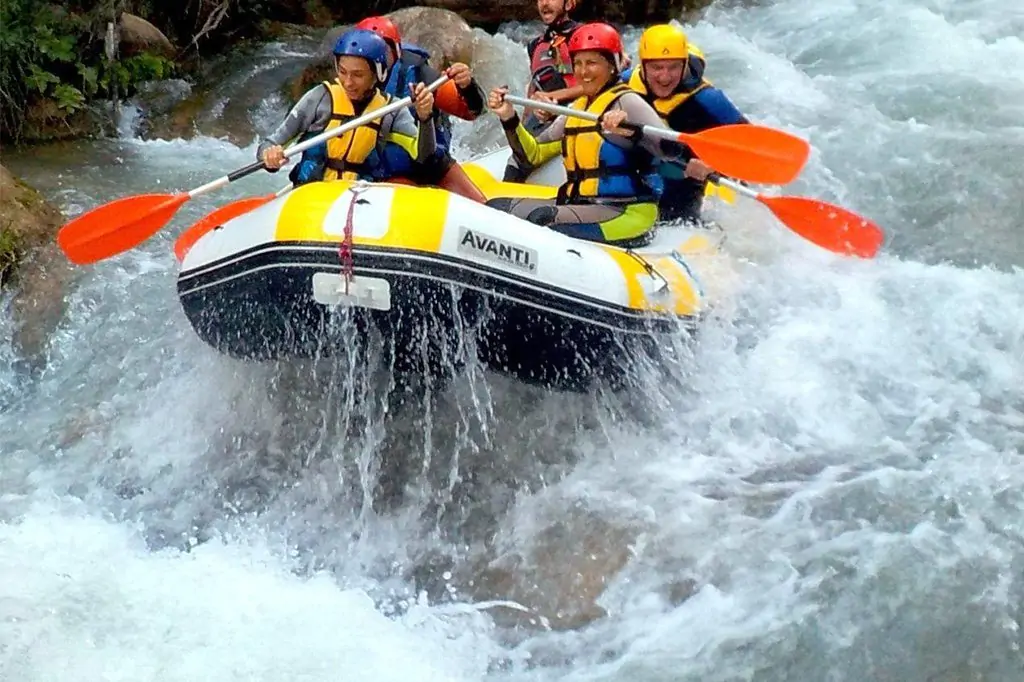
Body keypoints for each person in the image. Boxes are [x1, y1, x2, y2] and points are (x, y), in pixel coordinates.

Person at [487, 23, 689, 246]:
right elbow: (531, 155)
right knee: (496, 208)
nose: (583, 72)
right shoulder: (577, 109)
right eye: (578, 64)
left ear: (612, 65)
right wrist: (508, 117)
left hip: (626, 213)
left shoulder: (628, 102)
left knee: (541, 218)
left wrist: (632, 132)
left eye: (592, 63)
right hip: (581, 204)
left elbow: (674, 150)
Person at [258, 29, 436, 186]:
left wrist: (425, 118)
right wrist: (269, 155)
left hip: (360, 198)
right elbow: (269, 143)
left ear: (377, 74)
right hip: (311, 194)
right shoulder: (319, 98)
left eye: (358, 75)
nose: (348, 83)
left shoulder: (392, 110)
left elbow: (423, 157)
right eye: (343, 72)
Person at [355, 15, 487, 202]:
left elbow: (472, 111)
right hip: (386, 174)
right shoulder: (348, 86)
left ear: (396, 51)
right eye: (367, 52)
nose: (375, 58)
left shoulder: (419, 74)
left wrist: (466, 86)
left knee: (482, 206)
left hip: (432, 164)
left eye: (382, 50)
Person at [627, 23, 748, 222]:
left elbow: (746, 144)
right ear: (643, 65)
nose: (665, 77)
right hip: (640, 172)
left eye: (674, 67)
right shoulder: (626, 84)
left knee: (676, 212)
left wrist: (714, 166)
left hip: (686, 179)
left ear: (684, 64)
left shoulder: (709, 100)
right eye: (657, 67)